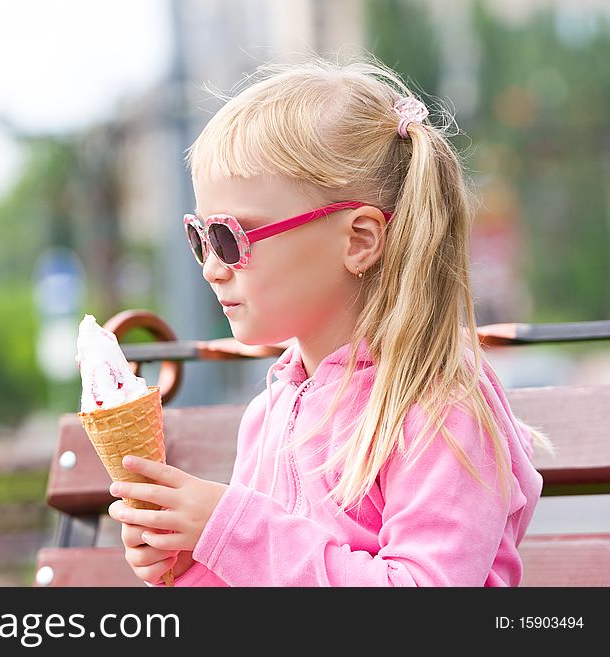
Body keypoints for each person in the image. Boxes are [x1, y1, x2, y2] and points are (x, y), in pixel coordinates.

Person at [106, 53, 554, 586]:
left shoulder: (439, 405)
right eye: (199, 236)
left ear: (359, 240)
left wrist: (231, 529)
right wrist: (192, 563)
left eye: (229, 237)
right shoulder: (271, 410)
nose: (209, 267)